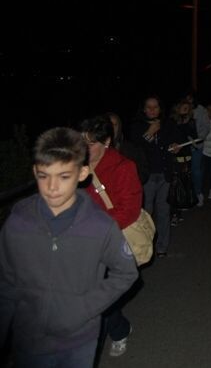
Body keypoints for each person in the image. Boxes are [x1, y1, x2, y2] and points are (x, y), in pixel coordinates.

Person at [0, 127, 138, 367]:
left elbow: (126, 272)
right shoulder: (18, 223)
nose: (52, 187)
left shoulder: (100, 225)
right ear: (35, 171)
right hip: (29, 340)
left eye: (64, 176)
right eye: (44, 175)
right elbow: (6, 283)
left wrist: (85, 307)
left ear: (82, 173)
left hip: (79, 341)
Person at [80, 115, 142, 358]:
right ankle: (120, 327)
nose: (85, 148)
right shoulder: (75, 167)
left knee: (99, 299)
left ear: (106, 142)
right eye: (81, 142)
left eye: (91, 143)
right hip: (79, 245)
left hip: (109, 243)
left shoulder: (123, 167)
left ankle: (112, 334)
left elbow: (129, 210)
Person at [131, 96, 179, 257]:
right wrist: (149, 132)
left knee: (164, 211)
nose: (152, 110)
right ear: (143, 109)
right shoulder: (137, 126)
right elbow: (136, 147)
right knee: (146, 212)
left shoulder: (168, 124)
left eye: (155, 107)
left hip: (165, 173)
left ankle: (162, 247)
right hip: (147, 176)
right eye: (148, 107)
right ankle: (146, 246)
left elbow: (173, 142)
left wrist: (175, 147)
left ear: (160, 109)